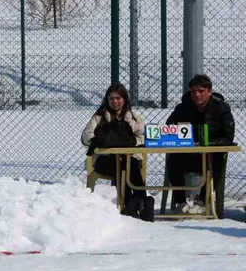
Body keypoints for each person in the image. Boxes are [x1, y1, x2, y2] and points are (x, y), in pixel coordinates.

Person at [164, 74, 236, 214]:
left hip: (211, 156)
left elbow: (228, 137)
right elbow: (169, 128)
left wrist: (206, 144)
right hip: (188, 156)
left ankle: (202, 200)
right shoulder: (182, 108)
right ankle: (180, 201)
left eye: (201, 91)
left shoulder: (221, 109)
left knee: (217, 160)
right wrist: (183, 142)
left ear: (209, 91)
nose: (197, 95)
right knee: (173, 160)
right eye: (193, 91)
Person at [81, 83, 150, 220]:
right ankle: (130, 203)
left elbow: (144, 136)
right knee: (119, 164)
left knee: (129, 165)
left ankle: (141, 202)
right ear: (107, 100)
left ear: (124, 99)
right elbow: (85, 136)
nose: (115, 101)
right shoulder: (98, 117)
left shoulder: (135, 119)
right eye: (111, 98)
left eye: (118, 98)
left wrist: (132, 142)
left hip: (130, 158)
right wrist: (100, 141)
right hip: (104, 159)